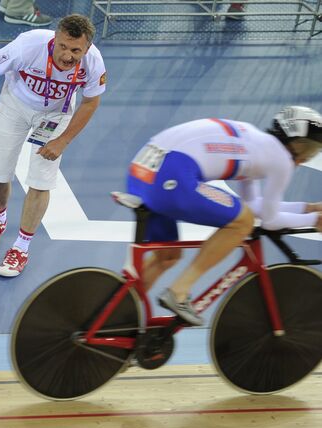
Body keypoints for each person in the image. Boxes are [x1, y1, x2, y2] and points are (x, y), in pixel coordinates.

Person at [126, 106, 322, 326]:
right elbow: (270, 221)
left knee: (168, 256)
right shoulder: (281, 160)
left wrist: (308, 209)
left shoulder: (257, 142)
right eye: (306, 149)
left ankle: (115, 315)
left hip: (142, 171)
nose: (304, 159)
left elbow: (255, 205)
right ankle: (178, 292)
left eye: (313, 152)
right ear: (292, 140)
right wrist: (314, 221)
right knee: (243, 222)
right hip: (170, 176)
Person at [0, 14, 107, 277]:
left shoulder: (94, 63)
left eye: (75, 50)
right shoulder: (28, 45)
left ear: (87, 48)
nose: (67, 55)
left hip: (56, 115)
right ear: (55, 38)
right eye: (63, 46)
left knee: (41, 181)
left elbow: (90, 102)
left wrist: (63, 140)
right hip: (16, 105)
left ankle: (21, 246)